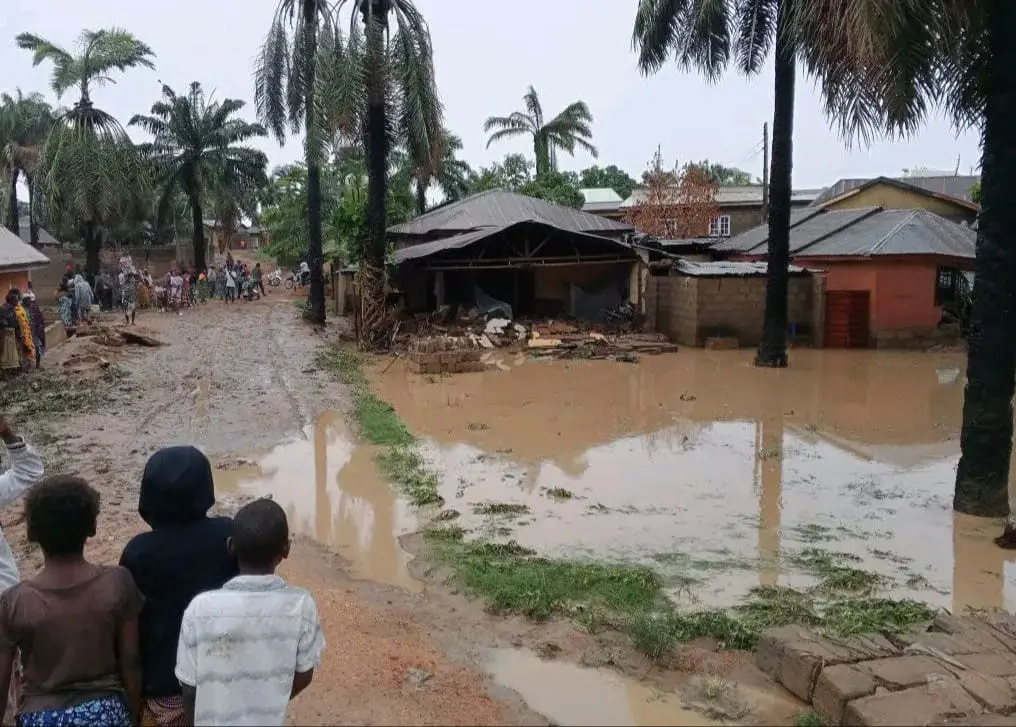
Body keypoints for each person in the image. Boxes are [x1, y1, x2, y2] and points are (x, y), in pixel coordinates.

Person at [0, 476, 141, 727]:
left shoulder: (15, 601)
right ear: (92, 527)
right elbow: (130, 659)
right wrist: (134, 713)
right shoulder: (117, 583)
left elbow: (2, 678)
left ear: (31, 533)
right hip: (107, 712)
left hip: (41, 717)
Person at [176, 499, 324, 726]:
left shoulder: (200, 609)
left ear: (230, 546)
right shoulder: (301, 605)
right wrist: (267, 698)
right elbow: (304, 674)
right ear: (286, 549)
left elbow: (189, 687)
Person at [119, 447, 238, 726]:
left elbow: (131, 627)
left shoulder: (139, 552)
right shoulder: (228, 535)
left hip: (166, 689)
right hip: (224, 679)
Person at [22, 295, 44, 369]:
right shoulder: (21, 309)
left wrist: (40, 326)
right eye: (27, 301)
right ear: (24, 301)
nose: (29, 302)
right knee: (26, 349)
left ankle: (38, 365)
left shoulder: (34, 308)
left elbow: (40, 318)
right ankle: (28, 365)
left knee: (37, 347)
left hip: (34, 332)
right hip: (25, 333)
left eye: (30, 301)